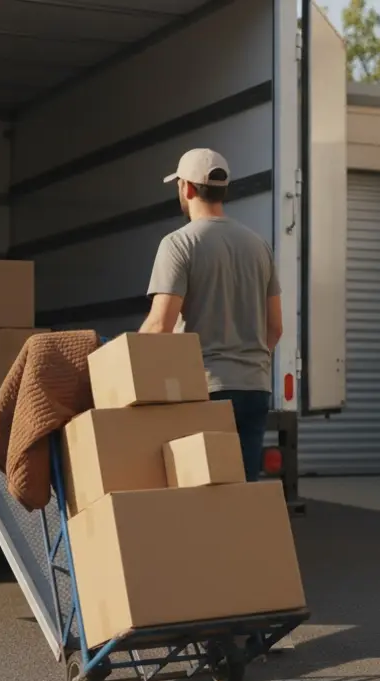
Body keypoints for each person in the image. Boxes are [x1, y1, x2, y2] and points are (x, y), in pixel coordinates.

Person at [139, 148, 283, 482]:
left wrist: (115, 365)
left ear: (186, 189)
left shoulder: (179, 244)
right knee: (239, 495)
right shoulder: (259, 246)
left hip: (204, 390)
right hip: (254, 390)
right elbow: (275, 328)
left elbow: (160, 325)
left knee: (199, 501)